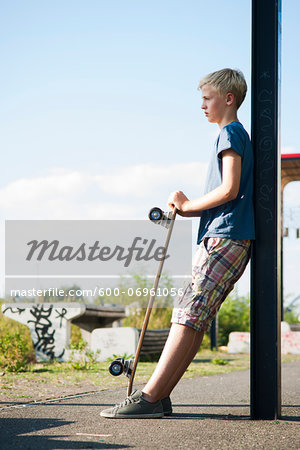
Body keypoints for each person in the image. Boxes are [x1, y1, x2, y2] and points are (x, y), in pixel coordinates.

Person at [100, 68, 255, 419]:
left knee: (188, 314)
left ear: (228, 99)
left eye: (207, 98)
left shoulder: (230, 132)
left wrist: (186, 206)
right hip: (227, 234)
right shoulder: (235, 133)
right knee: (194, 316)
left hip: (225, 234)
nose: (202, 105)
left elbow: (229, 189)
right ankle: (159, 395)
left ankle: (150, 397)